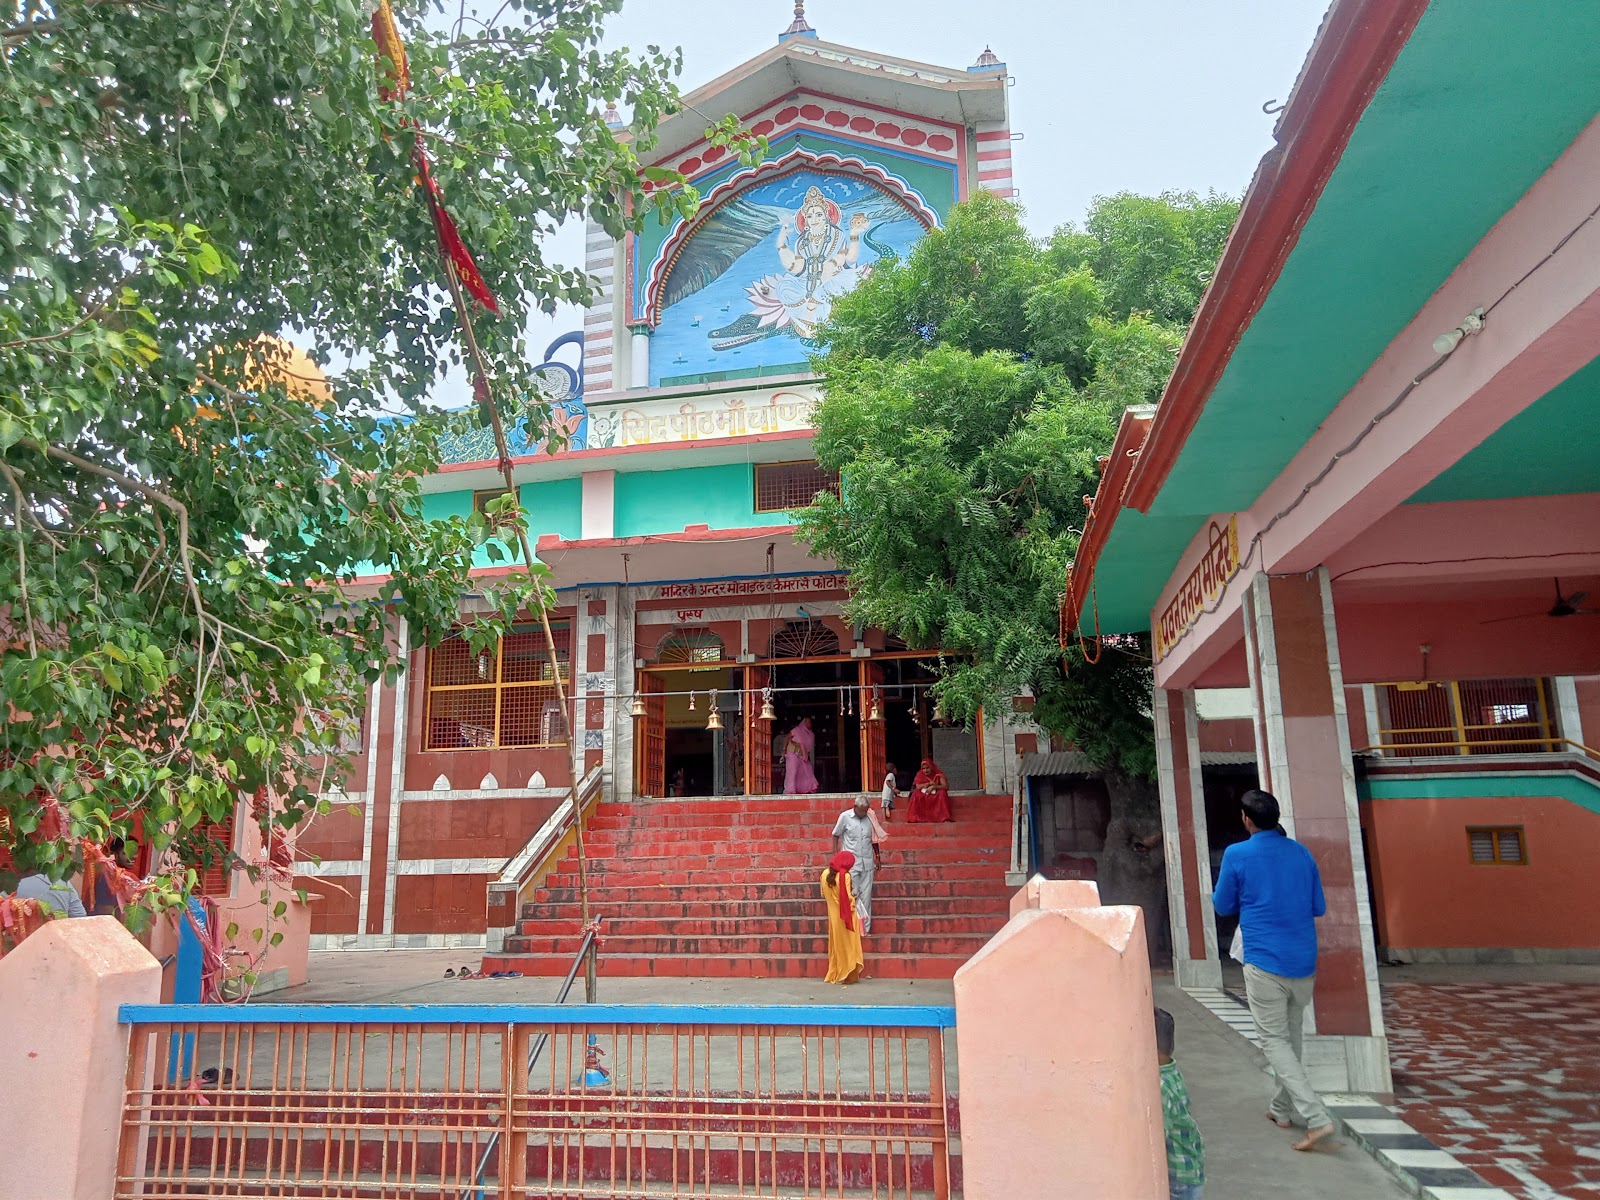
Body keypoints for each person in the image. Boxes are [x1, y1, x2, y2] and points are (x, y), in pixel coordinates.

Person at [1212, 789, 1336, 1152]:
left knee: (1274, 1041)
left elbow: (1222, 905)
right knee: (1291, 1038)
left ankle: (1317, 1118)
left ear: (1246, 819)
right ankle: (1281, 1109)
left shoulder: (1237, 854)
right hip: (1303, 961)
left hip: (1265, 961)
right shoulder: (1302, 853)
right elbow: (1319, 906)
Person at [1156, 1007, 1205, 1199]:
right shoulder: (1171, 1071)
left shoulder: (1159, 1087)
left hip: (1179, 1182)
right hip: (1190, 1172)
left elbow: (1158, 1138)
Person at [830, 795, 880, 933]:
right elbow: (835, 835)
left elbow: (874, 839)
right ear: (855, 807)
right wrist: (836, 856)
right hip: (850, 864)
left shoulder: (870, 816)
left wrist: (878, 856)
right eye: (862, 811)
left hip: (867, 862)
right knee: (852, 895)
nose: (864, 813)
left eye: (866, 810)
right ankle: (852, 928)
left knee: (866, 897)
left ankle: (864, 930)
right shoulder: (845, 817)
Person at [820, 850, 864, 984]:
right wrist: (855, 899)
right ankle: (847, 972)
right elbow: (847, 899)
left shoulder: (824, 874)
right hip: (846, 917)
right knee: (849, 945)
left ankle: (837, 972)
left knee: (837, 945)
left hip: (833, 917)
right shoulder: (845, 876)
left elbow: (823, 894)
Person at [15, 870, 88, 918]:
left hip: (26, 940)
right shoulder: (63, 882)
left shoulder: (13, 888)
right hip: (60, 936)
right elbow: (79, 916)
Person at [91, 837, 135, 916]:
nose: (133, 856)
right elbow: (105, 911)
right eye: (126, 853)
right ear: (114, 855)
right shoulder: (106, 878)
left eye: (134, 852)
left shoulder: (124, 876)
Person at [905, 757, 951, 823]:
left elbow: (945, 786)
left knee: (942, 793)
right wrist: (928, 784)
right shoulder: (920, 774)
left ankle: (943, 817)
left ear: (931, 767)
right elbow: (917, 786)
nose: (925, 770)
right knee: (916, 794)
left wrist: (934, 786)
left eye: (927, 768)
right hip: (924, 792)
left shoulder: (938, 774)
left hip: (936, 792)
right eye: (923, 769)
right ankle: (916, 817)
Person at [783, 716, 819, 795]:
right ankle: (790, 790)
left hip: (802, 755)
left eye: (810, 722)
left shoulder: (811, 734)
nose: (809, 724)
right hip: (792, 752)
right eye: (808, 722)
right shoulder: (797, 730)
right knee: (793, 771)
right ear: (804, 722)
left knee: (807, 769)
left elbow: (808, 747)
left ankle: (805, 788)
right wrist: (784, 749)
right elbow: (786, 737)